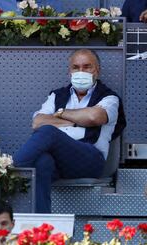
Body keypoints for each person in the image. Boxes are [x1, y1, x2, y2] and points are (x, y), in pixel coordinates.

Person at [12, 49, 126, 213]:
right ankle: (42, 222)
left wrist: (60, 114)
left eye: (87, 67)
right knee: (42, 161)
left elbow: (94, 117)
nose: (81, 72)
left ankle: (9, 170)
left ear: (97, 71)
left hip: (90, 160)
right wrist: (77, 120)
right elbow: (37, 122)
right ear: (69, 71)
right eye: (76, 67)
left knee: (49, 132)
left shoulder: (109, 98)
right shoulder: (57, 95)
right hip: (60, 161)